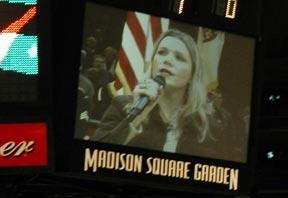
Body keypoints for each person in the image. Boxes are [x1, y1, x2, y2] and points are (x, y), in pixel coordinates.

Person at [93, 28, 233, 160]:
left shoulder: (207, 124)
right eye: (161, 52)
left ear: (192, 75)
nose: (167, 60)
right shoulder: (122, 105)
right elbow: (94, 158)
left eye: (179, 57)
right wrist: (136, 118)